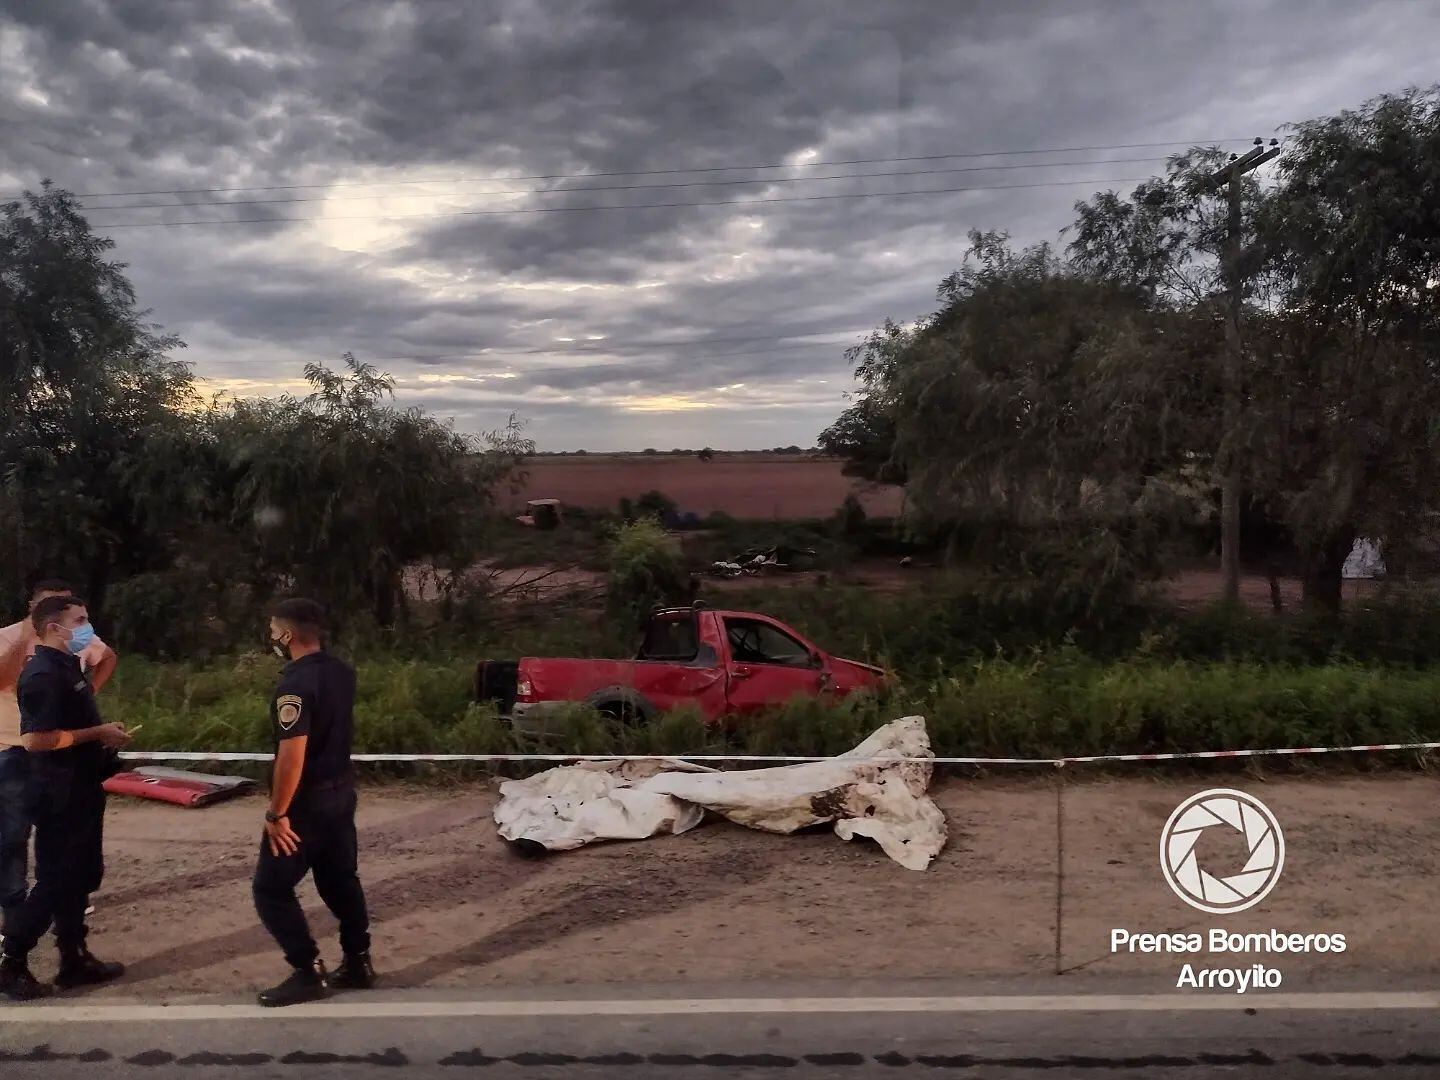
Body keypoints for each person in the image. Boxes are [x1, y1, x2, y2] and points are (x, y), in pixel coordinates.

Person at [0, 595, 129, 1000]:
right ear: (54, 628)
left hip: (81, 787)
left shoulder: (67, 666)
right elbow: (36, 740)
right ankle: (12, 961)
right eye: (81, 620)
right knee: (56, 880)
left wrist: (101, 740)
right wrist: (99, 734)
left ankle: (73, 958)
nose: (88, 627)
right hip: (59, 793)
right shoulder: (41, 675)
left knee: (81, 875)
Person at [252, 598, 374, 1007]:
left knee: (270, 889)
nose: (271, 636)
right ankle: (358, 961)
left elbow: (292, 756)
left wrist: (277, 813)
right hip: (342, 792)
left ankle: (307, 971)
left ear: (287, 635)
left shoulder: (294, 687)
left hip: (306, 805)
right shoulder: (341, 672)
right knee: (340, 880)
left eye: (274, 630)